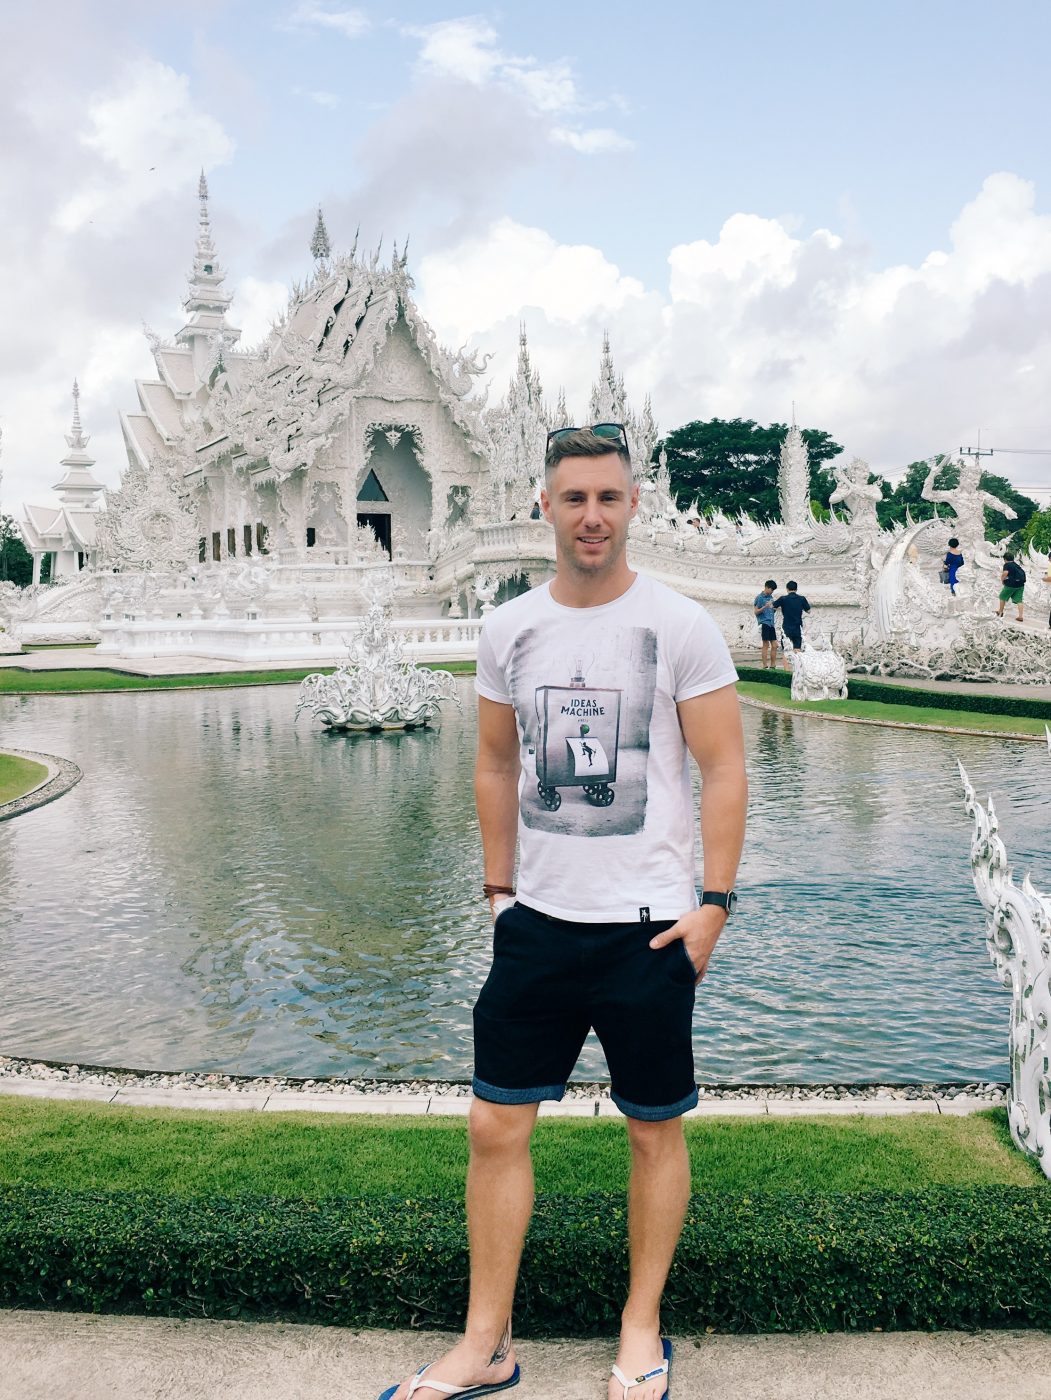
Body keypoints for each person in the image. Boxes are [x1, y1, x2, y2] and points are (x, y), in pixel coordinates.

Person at [379, 425, 747, 1400]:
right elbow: (495, 762)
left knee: (652, 1130)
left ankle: (639, 1327)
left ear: (634, 506)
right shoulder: (508, 629)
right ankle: (485, 1340)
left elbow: (724, 767)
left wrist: (713, 904)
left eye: (609, 497)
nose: (591, 514)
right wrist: (499, 894)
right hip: (537, 921)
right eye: (574, 497)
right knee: (495, 1127)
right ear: (543, 504)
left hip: (650, 927)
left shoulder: (681, 625)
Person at [773, 581, 811, 660]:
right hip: (797, 626)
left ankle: (786, 670)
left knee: (786, 650)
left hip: (786, 626)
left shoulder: (783, 599)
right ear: (796, 589)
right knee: (797, 649)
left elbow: (773, 607)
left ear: (787, 589)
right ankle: (796, 667)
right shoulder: (802, 598)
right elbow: (808, 611)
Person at [753, 579, 778, 669]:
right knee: (766, 644)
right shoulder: (760, 597)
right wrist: (765, 607)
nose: (772, 592)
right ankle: (764, 665)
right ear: (767, 587)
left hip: (771, 623)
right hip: (764, 623)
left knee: (775, 645)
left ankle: (773, 665)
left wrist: (773, 608)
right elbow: (756, 612)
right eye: (771, 589)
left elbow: (772, 610)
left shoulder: (771, 597)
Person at [996, 552, 1026, 622]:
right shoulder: (1016, 565)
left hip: (1011, 585)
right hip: (1020, 585)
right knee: (1019, 600)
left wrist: (1002, 580)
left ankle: (1000, 612)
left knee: (1002, 597)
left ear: (1005, 559)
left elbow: (1005, 573)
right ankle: (1020, 616)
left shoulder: (1007, 565)